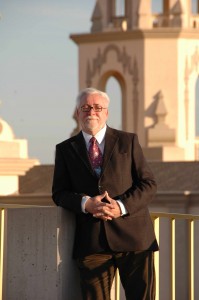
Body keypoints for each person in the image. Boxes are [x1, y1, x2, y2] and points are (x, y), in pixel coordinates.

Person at [52, 87, 159, 300]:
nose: (92, 111)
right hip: (92, 242)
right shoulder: (65, 149)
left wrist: (120, 207)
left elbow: (148, 184)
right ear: (77, 112)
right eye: (86, 107)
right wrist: (86, 204)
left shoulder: (128, 141)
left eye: (98, 107)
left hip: (134, 238)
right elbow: (60, 193)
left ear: (107, 113)